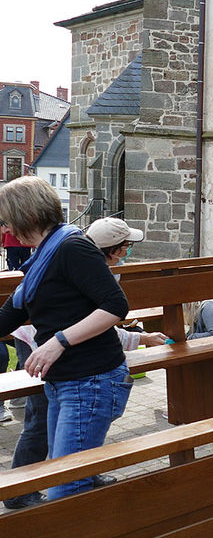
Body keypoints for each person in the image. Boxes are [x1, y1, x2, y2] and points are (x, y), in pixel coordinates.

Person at [0, 176, 131, 500]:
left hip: (92, 380)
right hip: (67, 383)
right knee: (66, 478)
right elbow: (8, 317)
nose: (8, 231)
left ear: (27, 217)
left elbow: (115, 306)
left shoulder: (71, 247)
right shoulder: (42, 258)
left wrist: (57, 342)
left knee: (66, 490)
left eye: (8, 221)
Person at [86, 216, 168, 349]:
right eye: (126, 246)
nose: (127, 252)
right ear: (113, 251)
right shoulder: (93, 281)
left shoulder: (103, 270)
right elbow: (101, 334)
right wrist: (144, 338)